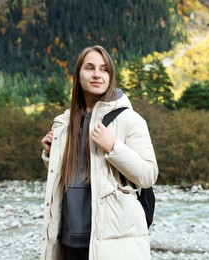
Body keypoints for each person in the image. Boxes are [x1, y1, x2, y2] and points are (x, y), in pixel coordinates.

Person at [40, 45, 159, 260]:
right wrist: (52, 155)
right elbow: (70, 178)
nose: (97, 74)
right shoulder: (64, 123)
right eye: (90, 68)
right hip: (68, 242)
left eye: (104, 69)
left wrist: (113, 146)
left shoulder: (130, 120)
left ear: (111, 76)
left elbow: (148, 175)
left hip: (111, 243)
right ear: (78, 75)